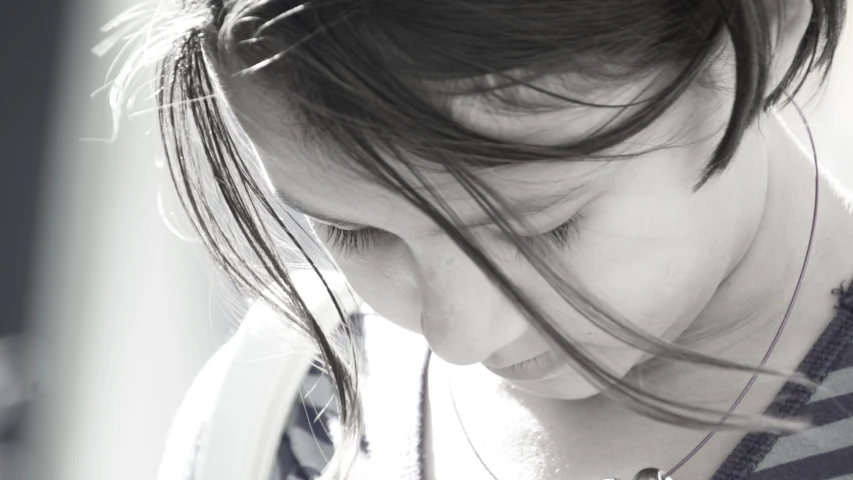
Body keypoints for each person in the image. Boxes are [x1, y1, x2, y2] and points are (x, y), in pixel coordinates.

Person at [102, 1, 852, 479]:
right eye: (355, 230)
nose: (457, 336)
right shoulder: (285, 406)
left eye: (542, 226)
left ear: (765, 23)